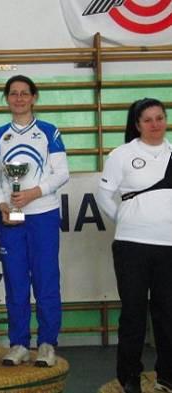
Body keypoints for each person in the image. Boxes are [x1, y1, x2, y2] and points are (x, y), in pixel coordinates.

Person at [0, 75, 69, 367]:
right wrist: (1, 204)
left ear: (34, 97)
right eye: (13, 93)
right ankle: (19, 343)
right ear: (6, 99)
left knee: (46, 280)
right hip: (11, 217)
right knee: (15, 282)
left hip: (43, 214)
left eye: (24, 93)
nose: (19, 98)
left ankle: (47, 343)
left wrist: (34, 192)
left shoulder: (48, 131)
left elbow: (62, 173)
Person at [97, 98, 172, 393]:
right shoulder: (122, 155)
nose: (155, 125)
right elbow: (104, 196)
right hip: (132, 246)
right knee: (133, 312)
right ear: (137, 124)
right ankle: (129, 376)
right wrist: (126, 219)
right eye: (148, 120)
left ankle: (167, 376)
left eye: (160, 118)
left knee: (168, 313)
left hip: (169, 247)